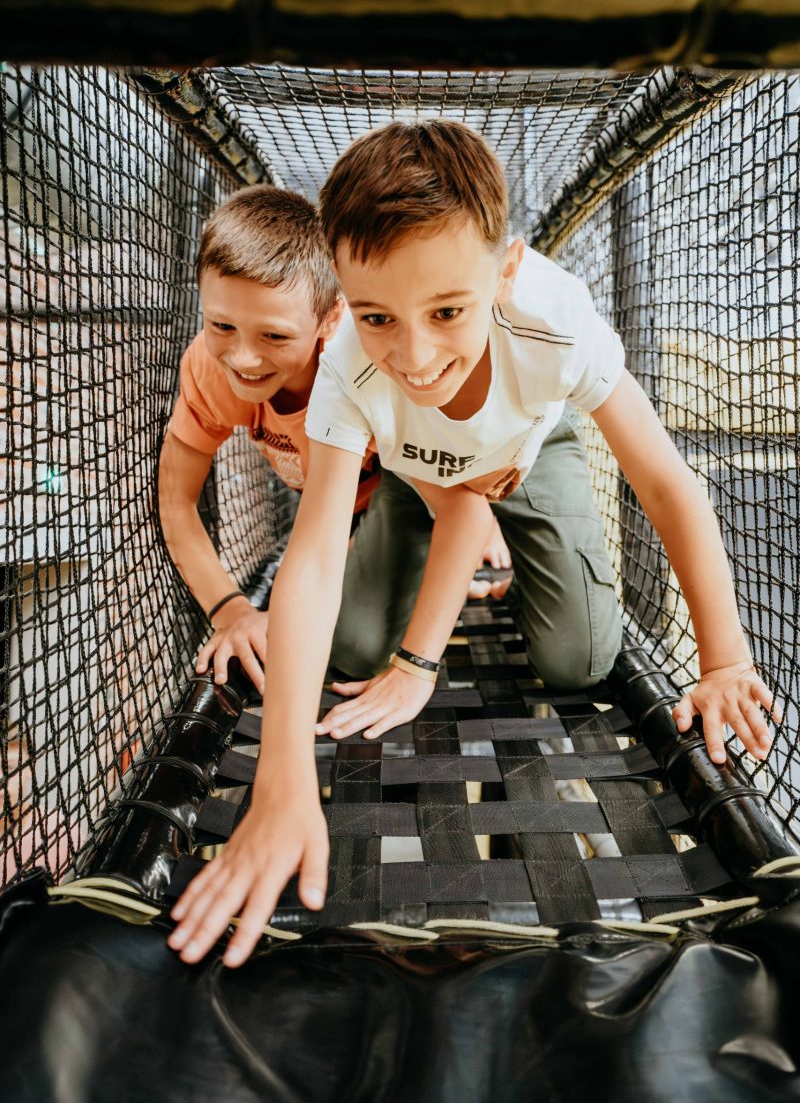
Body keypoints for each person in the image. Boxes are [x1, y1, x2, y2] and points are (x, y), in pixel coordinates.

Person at [168, 120, 776, 968]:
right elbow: (311, 558)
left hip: (529, 452)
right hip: (419, 479)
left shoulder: (554, 324)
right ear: (344, 302)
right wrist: (283, 775)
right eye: (378, 316)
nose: (414, 353)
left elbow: (668, 483)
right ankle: (444, 545)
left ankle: (520, 553)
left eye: (448, 310)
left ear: (506, 271)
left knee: (579, 659)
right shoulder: (349, 365)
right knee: (350, 645)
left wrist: (724, 660)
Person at [159, 183, 509, 692]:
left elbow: (455, 489)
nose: (244, 357)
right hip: (338, 510)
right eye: (221, 325)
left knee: (353, 643)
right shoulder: (210, 371)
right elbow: (176, 502)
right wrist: (230, 609)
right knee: (345, 644)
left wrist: (475, 520)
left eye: (274, 335)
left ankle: (456, 557)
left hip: (410, 482)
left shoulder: (366, 364)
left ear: (329, 317)